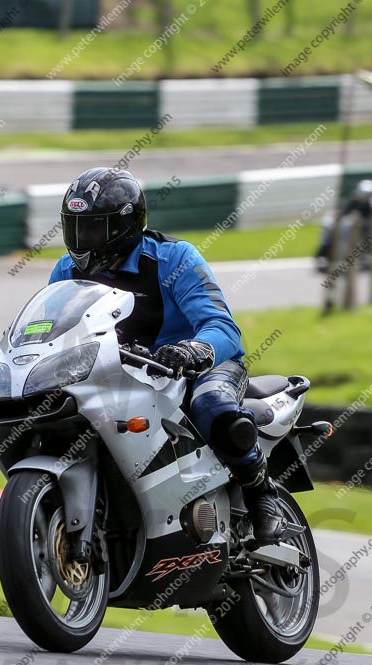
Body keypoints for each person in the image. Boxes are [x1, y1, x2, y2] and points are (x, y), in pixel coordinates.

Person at [48, 167, 286, 548]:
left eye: (93, 228)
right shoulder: (66, 270)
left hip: (197, 369)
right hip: (121, 376)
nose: (82, 240)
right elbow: (52, 332)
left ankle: (261, 493)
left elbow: (223, 328)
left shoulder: (173, 259)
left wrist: (193, 349)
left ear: (125, 227)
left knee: (211, 403)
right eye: (75, 227)